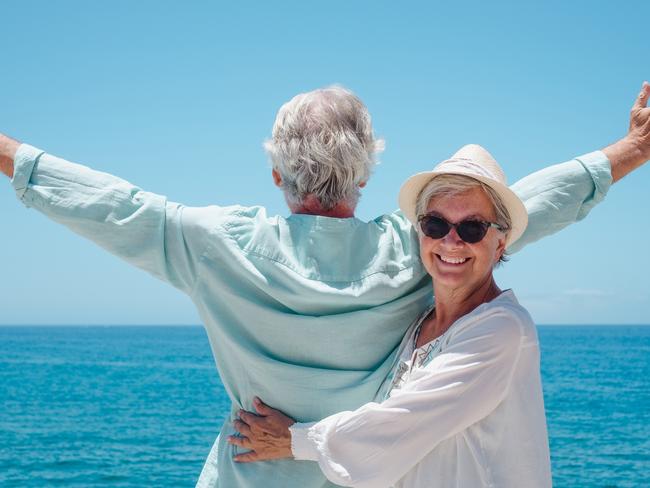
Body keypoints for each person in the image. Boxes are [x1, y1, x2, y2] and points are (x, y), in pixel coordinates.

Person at [1, 83, 649, 488]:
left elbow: (114, 206)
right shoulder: (412, 252)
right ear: (365, 175)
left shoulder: (213, 244)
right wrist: (628, 152)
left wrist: (8, 153)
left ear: (278, 175)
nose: (452, 238)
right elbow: (530, 204)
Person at [228, 144, 551, 487]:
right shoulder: (421, 324)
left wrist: (294, 440)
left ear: (500, 243)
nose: (452, 241)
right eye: (436, 225)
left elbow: (406, 421)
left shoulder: (503, 329)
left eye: (472, 228)